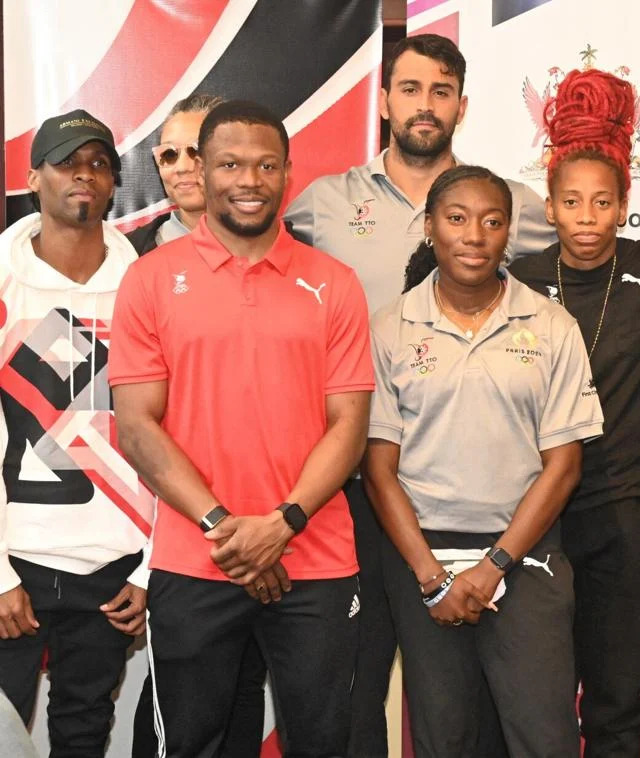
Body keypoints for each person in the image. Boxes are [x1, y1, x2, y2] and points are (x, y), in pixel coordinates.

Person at [284, 33, 554, 755]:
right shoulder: (322, 205)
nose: (424, 105)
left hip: (462, 483)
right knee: (357, 673)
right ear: (383, 101)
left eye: (440, 91)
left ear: (461, 106)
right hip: (348, 477)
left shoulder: (513, 206)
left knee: (482, 694)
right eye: (409, 88)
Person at [109, 100, 372, 758]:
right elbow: (137, 428)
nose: (248, 180)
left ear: (287, 173)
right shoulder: (147, 281)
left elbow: (348, 426)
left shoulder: (334, 284)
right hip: (197, 560)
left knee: (323, 744)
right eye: (230, 164)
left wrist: (281, 523)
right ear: (201, 169)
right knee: (193, 744)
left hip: (313, 560)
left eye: (264, 165)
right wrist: (226, 531)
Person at [364, 164, 602, 757]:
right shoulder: (390, 328)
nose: (474, 235)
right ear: (429, 228)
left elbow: (564, 465)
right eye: (457, 219)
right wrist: (430, 577)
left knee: (543, 738)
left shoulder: (551, 324)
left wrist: (495, 564)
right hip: (423, 561)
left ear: (509, 233)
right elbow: (377, 468)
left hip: (525, 560)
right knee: (445, 739)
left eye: (492, 221)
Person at [504, 67, 640, 756]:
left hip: (621, 509)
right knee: (535, 692)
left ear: (623, 205)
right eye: (570, 202)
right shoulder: (518, 282)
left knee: (616, 694)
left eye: (600, 203)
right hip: (531, 514)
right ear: (549, 207)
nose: (585, 219)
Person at [0, 109, 154, 755]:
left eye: (98, 163)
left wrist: (148, 568)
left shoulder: (147, 286)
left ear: (115, 183)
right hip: (16, 561)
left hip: (112, 563)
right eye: (67, 162)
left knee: (84, 734)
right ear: (34, 177)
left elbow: (172, 432)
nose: (84, 175)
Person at [124, 92, 268, 758]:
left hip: (269, 536)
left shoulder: (280, 258)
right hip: (173, 537)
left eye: (196, 153)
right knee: (175, 729)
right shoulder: (128, 265)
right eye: (171, 154)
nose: (185, 168)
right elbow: (127, 425)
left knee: (244, 712)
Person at [127, 94, 225, 254]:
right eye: (169, 154)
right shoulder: (130, 253)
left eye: (198, 150)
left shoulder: (266, 243)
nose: (182, 167)